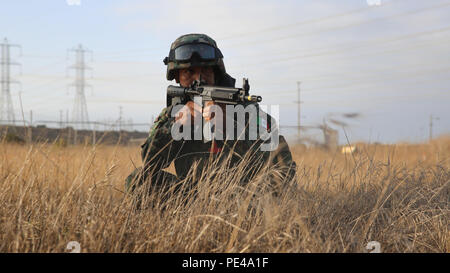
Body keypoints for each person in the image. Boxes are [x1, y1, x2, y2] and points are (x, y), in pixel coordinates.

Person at [125, 33, 297, 202]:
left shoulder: (248, 110)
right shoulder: (174, 113)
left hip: (244, 199)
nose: (199, 78)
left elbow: (282, 169)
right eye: (189, 72)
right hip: (193, 200)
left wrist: (230, 128)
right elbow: (150, 161)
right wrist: (175, 126)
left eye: (206, 70)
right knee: (138, 179)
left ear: (217, 72)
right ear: (176, 76)